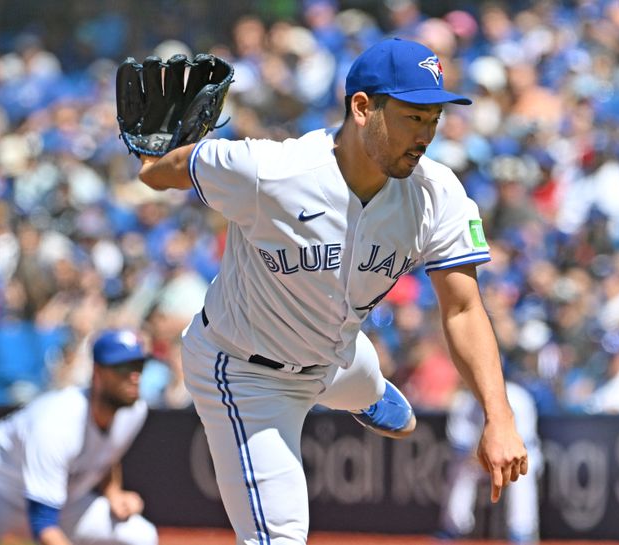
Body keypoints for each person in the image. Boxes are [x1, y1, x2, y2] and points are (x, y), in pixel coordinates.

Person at [136, 37, 528, 544]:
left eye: (434, 119)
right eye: (414, 117)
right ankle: (363, 393)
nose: (426, 135)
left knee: (367, 383)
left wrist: (499, 417)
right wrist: (153, 161)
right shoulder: (271, 172)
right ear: (363, 108)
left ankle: (367, 393)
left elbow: (463, 309)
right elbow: (166, 173)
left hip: (338, 355)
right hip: (243, 371)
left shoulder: (438, 193)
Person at [0, 329, 158, 545]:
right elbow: (44, 524)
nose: (135, 376)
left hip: (57, 502)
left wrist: (113, 491)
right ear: (98, 373)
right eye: (123, 368)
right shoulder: (57, 422)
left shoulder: (134, 411)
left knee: (140, 535)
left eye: (139, 366)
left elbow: (107, 454)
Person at [439, 381, 542, 543]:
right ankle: (454, 527)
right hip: (479, 460)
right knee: (461, 469)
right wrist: (475, 453)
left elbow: (526, 442)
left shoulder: (519, 397)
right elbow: (459, 442)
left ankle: (522, 530)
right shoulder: (467, 401)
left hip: (516, 458)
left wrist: (503, 455)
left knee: (522, 476)